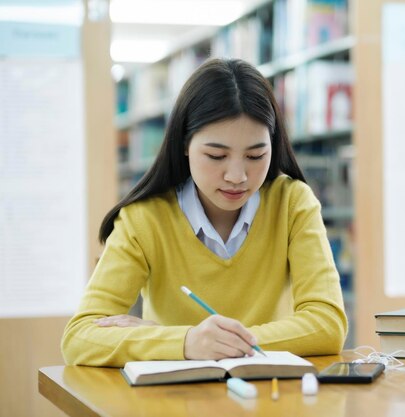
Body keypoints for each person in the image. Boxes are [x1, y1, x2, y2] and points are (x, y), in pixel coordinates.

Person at [61, 58, 348, 367]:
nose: (237, 175)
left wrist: (204, 343)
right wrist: (187, 342)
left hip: (270, 398)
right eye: (216, 155)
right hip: (177, 401)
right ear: (185, 144)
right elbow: (79, 337)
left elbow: (327, 324)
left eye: (256, 155)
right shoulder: (144, 218)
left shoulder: (292, 203)